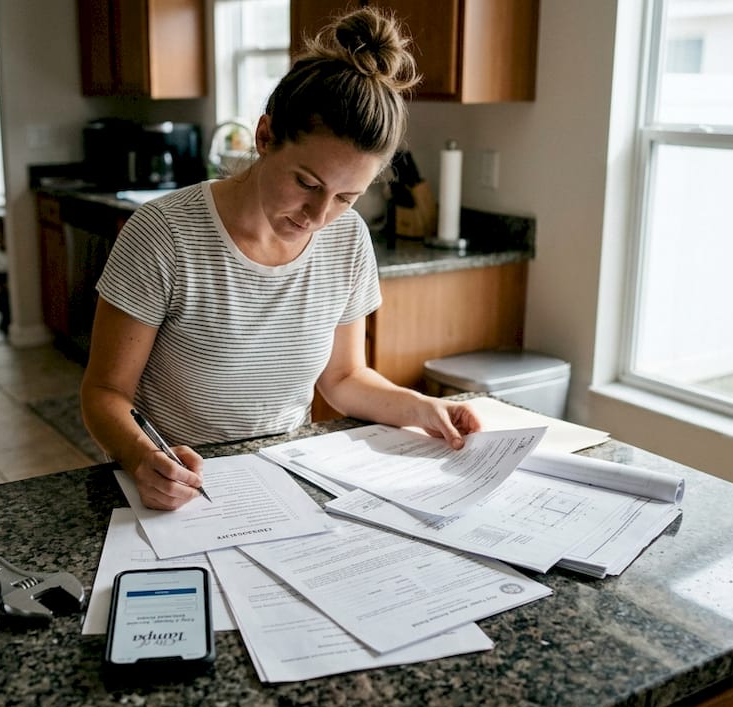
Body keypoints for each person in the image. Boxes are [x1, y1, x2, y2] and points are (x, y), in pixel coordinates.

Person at [80, 6, 481, 510]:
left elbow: (343, 379)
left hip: (282, 481)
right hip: (172, 487)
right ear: (265, 136)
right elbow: (104, 392)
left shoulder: (348, 240)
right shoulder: (164, 234)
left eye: (345, 197)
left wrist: (421, 408)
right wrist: (142, 458)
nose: (318, 214)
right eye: (307, 184)